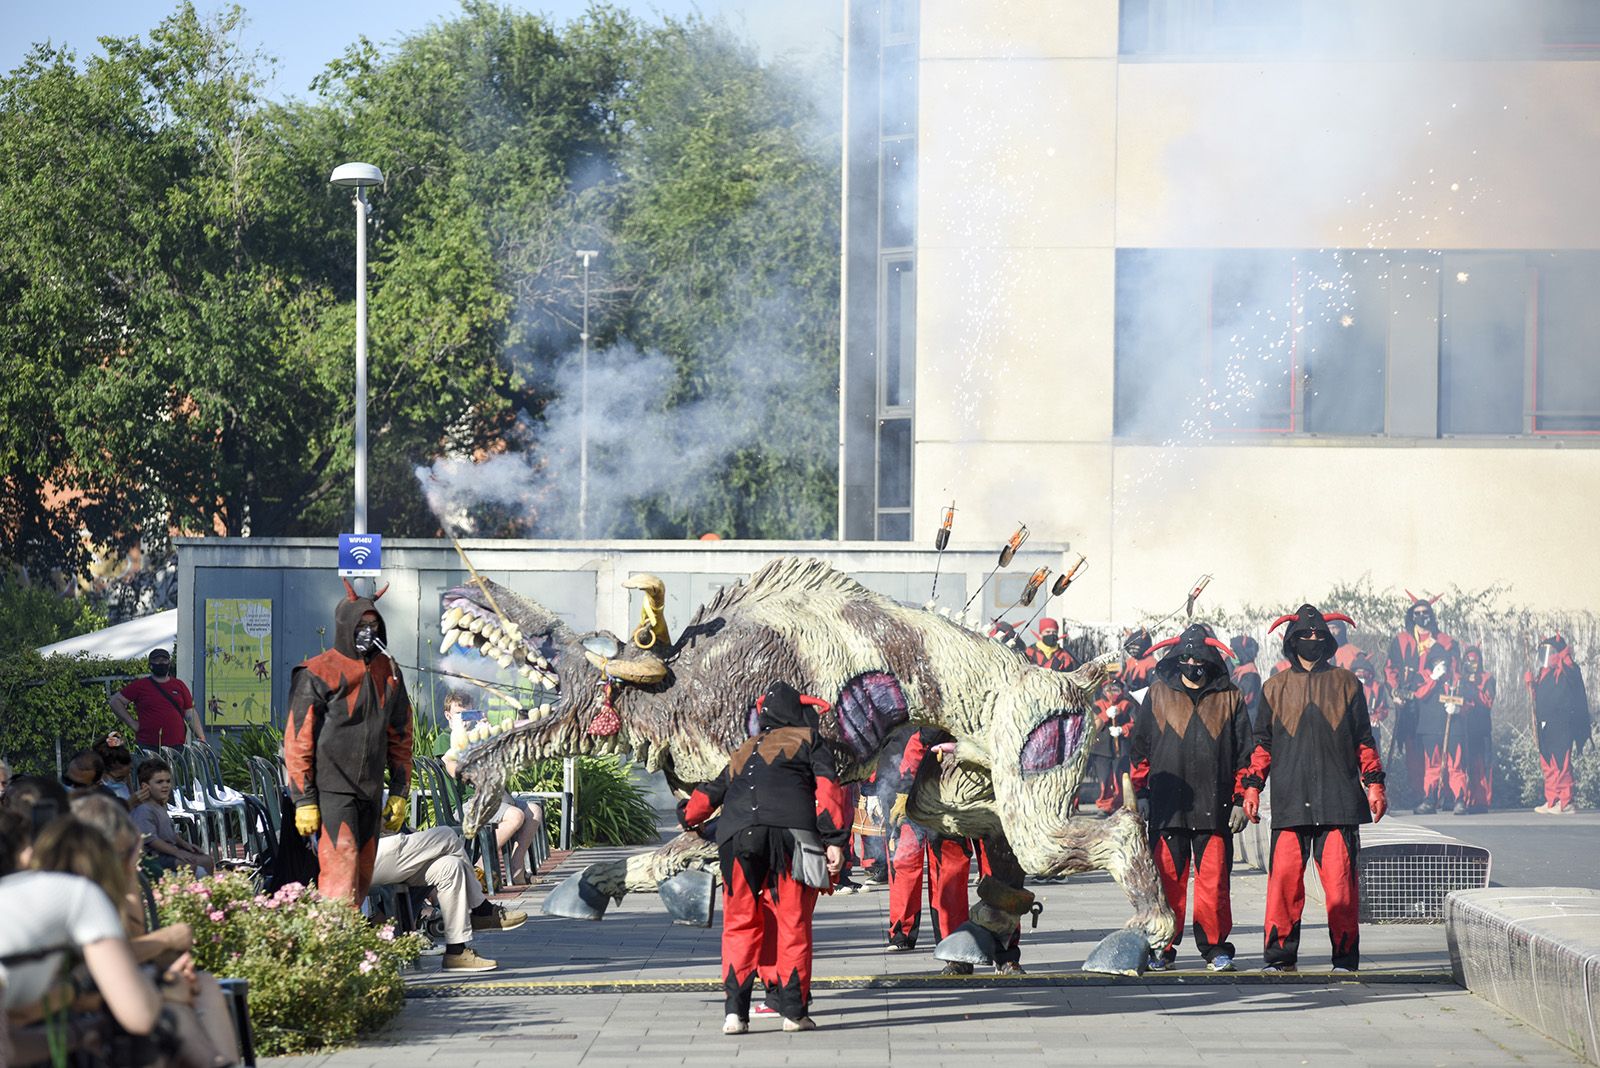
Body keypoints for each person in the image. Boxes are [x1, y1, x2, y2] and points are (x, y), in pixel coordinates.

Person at [680, 680, 849, 1034]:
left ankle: (735, 1015)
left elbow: (710, 793)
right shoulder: (809, 740)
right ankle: (793, 1012)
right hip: (792, 836)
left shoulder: (746, 748)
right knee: (792, 922)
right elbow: (829, 790)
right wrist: (834, 839)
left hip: (737, 838)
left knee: (739, 923)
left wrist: (687, 815)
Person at [1242, 604, 1386, 974]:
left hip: (1338, 801)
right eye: (1304, 636)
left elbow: (1364, 741)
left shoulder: (1346, 683)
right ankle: (1279, 959)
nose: (1311, 640)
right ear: (1291, 641)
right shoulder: (1274, 687)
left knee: (1340, 889)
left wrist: (1374, 785)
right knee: (1284, 886)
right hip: (1290, 801)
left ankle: (1344, 961)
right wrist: (1253, 787)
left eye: (1318, 635)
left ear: (1328, 641)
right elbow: (1262, 745)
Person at [1130, 623, 1252, 973]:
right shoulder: (1158, 693)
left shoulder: (1230, 696)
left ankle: (1215, 949)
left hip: (1215, 808)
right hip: (1168, 807)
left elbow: (1246, 755)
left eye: (1199, 657)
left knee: (1214, 884)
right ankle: (1161, 947)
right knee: (1167, 881)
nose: (1192, 663)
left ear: (1211, 658)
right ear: (1176, 659)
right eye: (1185, 657)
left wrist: (1242, 800)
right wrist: (1141, 795)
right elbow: (1140, 751)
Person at [284, 580, 415, 906]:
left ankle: (352, 949)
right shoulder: (316, 671)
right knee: (339, 875)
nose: (368, 631)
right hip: (331, 793)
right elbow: (297, 741)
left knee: (361, 878)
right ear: (346, 625)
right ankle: (334, 947)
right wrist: (303, 799)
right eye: (361, 625)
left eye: (373, 625)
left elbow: (401, 736)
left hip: (369, 793)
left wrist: (399, 791)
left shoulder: (389, 671)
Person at [371, 825, 528, 972]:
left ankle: (456, 951)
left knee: (451, 866)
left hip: (384, 851)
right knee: (447, 835)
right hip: (364, 853)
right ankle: (481, 909)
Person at [878, 728, 972, 969]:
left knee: (949, 871)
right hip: (913, 795)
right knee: (905, 863)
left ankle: (951, 939)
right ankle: (903, 931)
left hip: (947, 799)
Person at [438, 689, 544, 886]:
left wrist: (489, 738)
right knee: (515, 816)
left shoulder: (478, 736)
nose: (466, 721)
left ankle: (516, 868)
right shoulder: (446, 739)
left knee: (534, 812)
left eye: (470, 714)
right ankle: (477, 869)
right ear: (448, 715)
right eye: (461, 715)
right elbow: (456, 772)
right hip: (466, 804)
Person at [1384, 594, 1454, 801]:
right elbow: (1391, 668)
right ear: (1411, 616)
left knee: (1438, 748)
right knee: (1413, 748)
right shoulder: (1402, 640)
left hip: (1435, 703)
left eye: (1426, 613)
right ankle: (1419, 793)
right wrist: (1395, 692)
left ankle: (1442, 794)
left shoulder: (1445, 641)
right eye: (1417, 613)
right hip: (1409, 702)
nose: (1422, 617)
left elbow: (1453, 671)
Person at [1529, 634, 1591, 815]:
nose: (1546, 657)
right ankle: (1553, 800)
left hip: (1562, 724)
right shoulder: (1544, 673)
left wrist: (1564, 653)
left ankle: (1566, 801)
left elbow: (1572, 673)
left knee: (1561, 763)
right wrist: (1531, 686)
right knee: (1548, 763)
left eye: (1550, 652)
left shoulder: (1567, 670)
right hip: (1545, 724)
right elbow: (1540, 700)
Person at [109, 647, 205, 748]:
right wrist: (132, 723)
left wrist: (201, 737)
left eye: (164, 660)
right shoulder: (140, 686)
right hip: (149, 745)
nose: (161, 663)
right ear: (150, 664)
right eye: (157, 660)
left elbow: (190, 713)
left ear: (169, 663)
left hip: (177, 746)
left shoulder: (179, 685)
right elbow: (115, 701)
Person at [131, 759, 212, 875]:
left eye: (168, 781)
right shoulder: (144, 810)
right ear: (145, 786)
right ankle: (184, 892)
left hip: (169, 852)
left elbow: (170, 833)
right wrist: (176, 852)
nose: (165, 785)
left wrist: (185, 845)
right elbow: (151, 840)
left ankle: (205, 891)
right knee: (187, 865)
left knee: (206, 860)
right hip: (154, 856)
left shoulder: (160, 806)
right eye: (159, 782)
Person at [1086, 679, 1136, 814]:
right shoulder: (1097, 705)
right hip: (1102, 749)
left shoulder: (1127, 705)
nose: (1112, 693)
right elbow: (1092, 726)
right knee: (1105, 779)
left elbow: (1135, 723)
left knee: (1120, 779)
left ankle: (1120, 804)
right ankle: (1105, 805)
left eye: (1115, 689)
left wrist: (1123, 729)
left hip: (1122, 748)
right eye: (1108, 689)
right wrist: (1105, 715)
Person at [1456, 646, 1495, 814]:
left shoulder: (1487, 678)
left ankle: (1481, 800)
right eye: (1468, 661)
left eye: (1474, 661)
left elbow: (1488, 701)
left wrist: (1475, 690)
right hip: (1464, 726)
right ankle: (1466, 798)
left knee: (1482, 764)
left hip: (1481, 727)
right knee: (1465, 762)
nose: (1471, 664)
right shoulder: (1460, 679)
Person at [1229, 635, 1264, 725]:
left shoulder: (1250, 674)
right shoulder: (1239, 672)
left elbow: (1244, 700)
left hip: (1247, 725)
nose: (1231, 654)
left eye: (1234, 651)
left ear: (1241, 653)